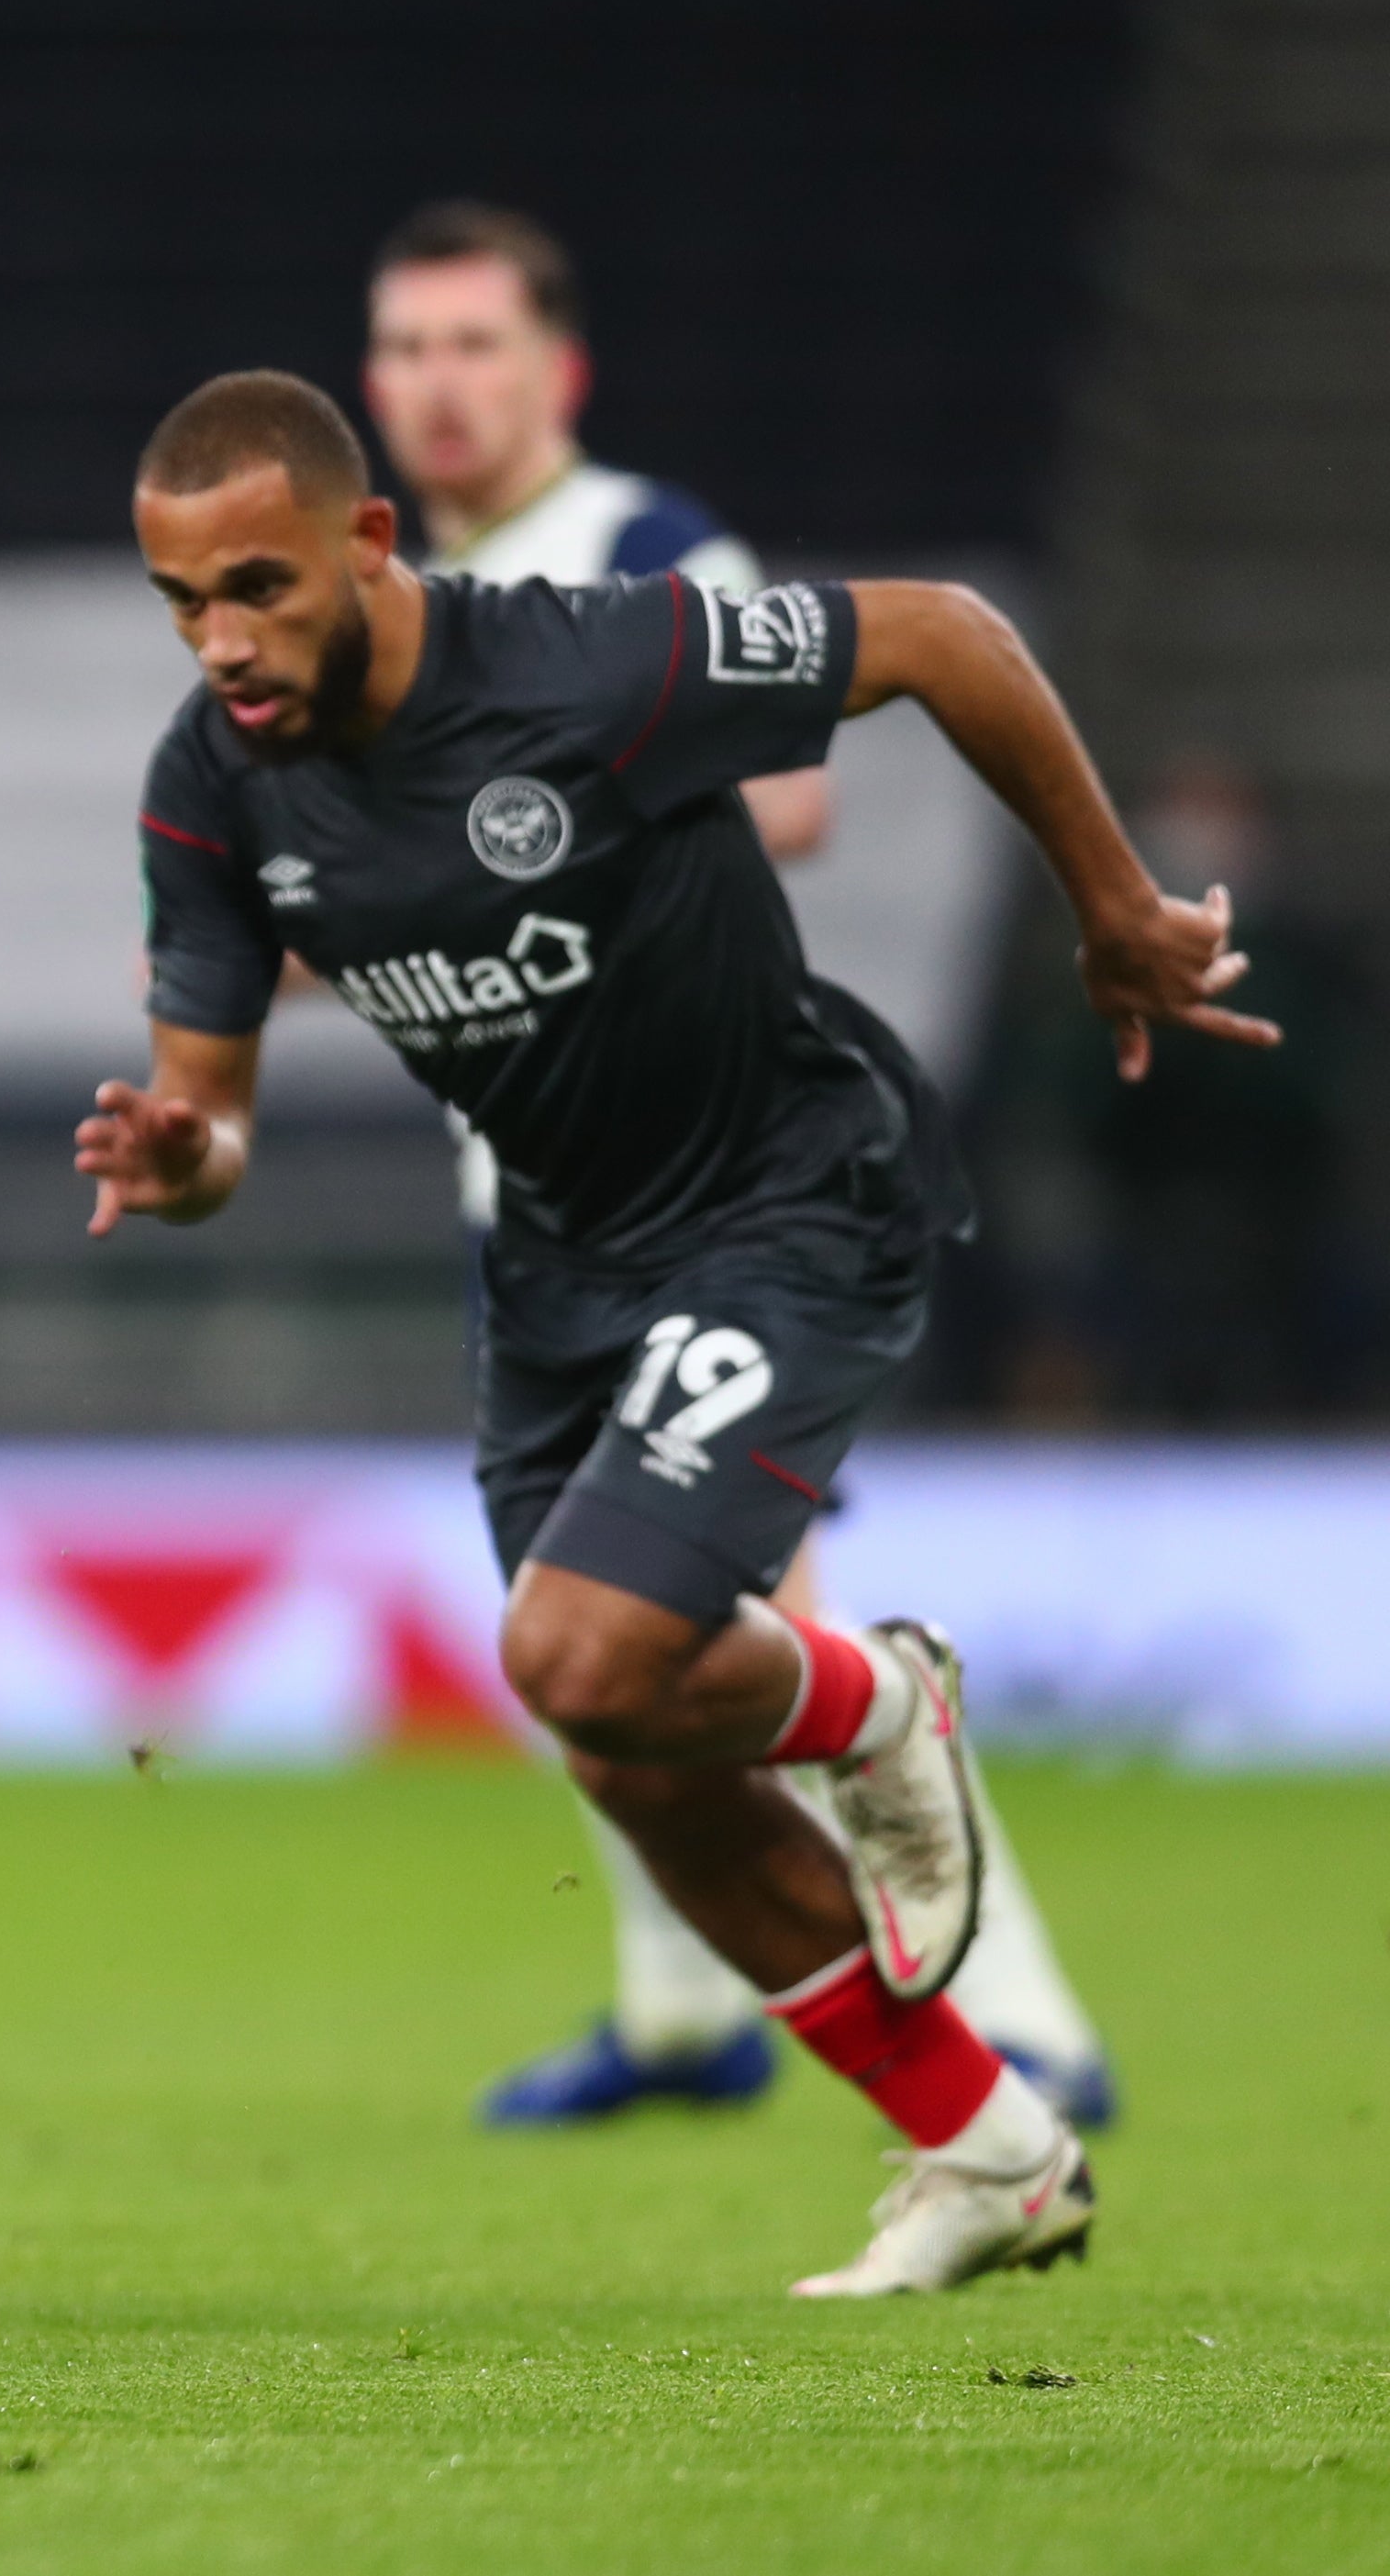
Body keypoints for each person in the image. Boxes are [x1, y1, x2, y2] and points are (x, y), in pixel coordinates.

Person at [78, 373, 1268, 2294]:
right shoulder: (209, 788)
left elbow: (943, 638)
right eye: (178, 600)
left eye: (256, 586)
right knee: (617, 1744)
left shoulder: (582, 664)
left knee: (571, 1645)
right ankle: (985, 2147)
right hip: (558, 1267)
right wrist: (176, 1149)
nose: (220, 640)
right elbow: (206, 1108)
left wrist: (1112, 905)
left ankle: (878, 1701)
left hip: (784, 1196)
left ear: (364, 547)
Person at [360, 203, 1118, 2133]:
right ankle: (680, 2016)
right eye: (404, 350)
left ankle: (1022, 2021)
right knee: (587, 1625)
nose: (436, 386)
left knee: (735, 1622)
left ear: (555, 372)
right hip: (525, 1189)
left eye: (471, 345)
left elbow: (787, 790)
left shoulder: (634, 552)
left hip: (694, 1178)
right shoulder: (380, 617)